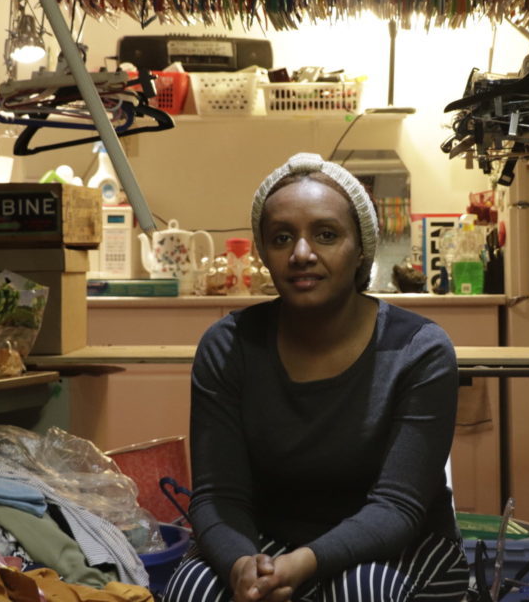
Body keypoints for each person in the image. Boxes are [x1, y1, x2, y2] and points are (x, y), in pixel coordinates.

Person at [163, 152, 467, 602]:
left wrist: (305, 563)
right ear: (264, 251)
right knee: (193, 587)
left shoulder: (417, 350)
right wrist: (243, 566)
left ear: (361, 245)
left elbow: (398, 507)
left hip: (405, 544)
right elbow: (217, 496)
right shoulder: (229, 347)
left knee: (361, 589)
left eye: (326, 235)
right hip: (270, 541)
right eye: (282, 237)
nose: (302, 254)